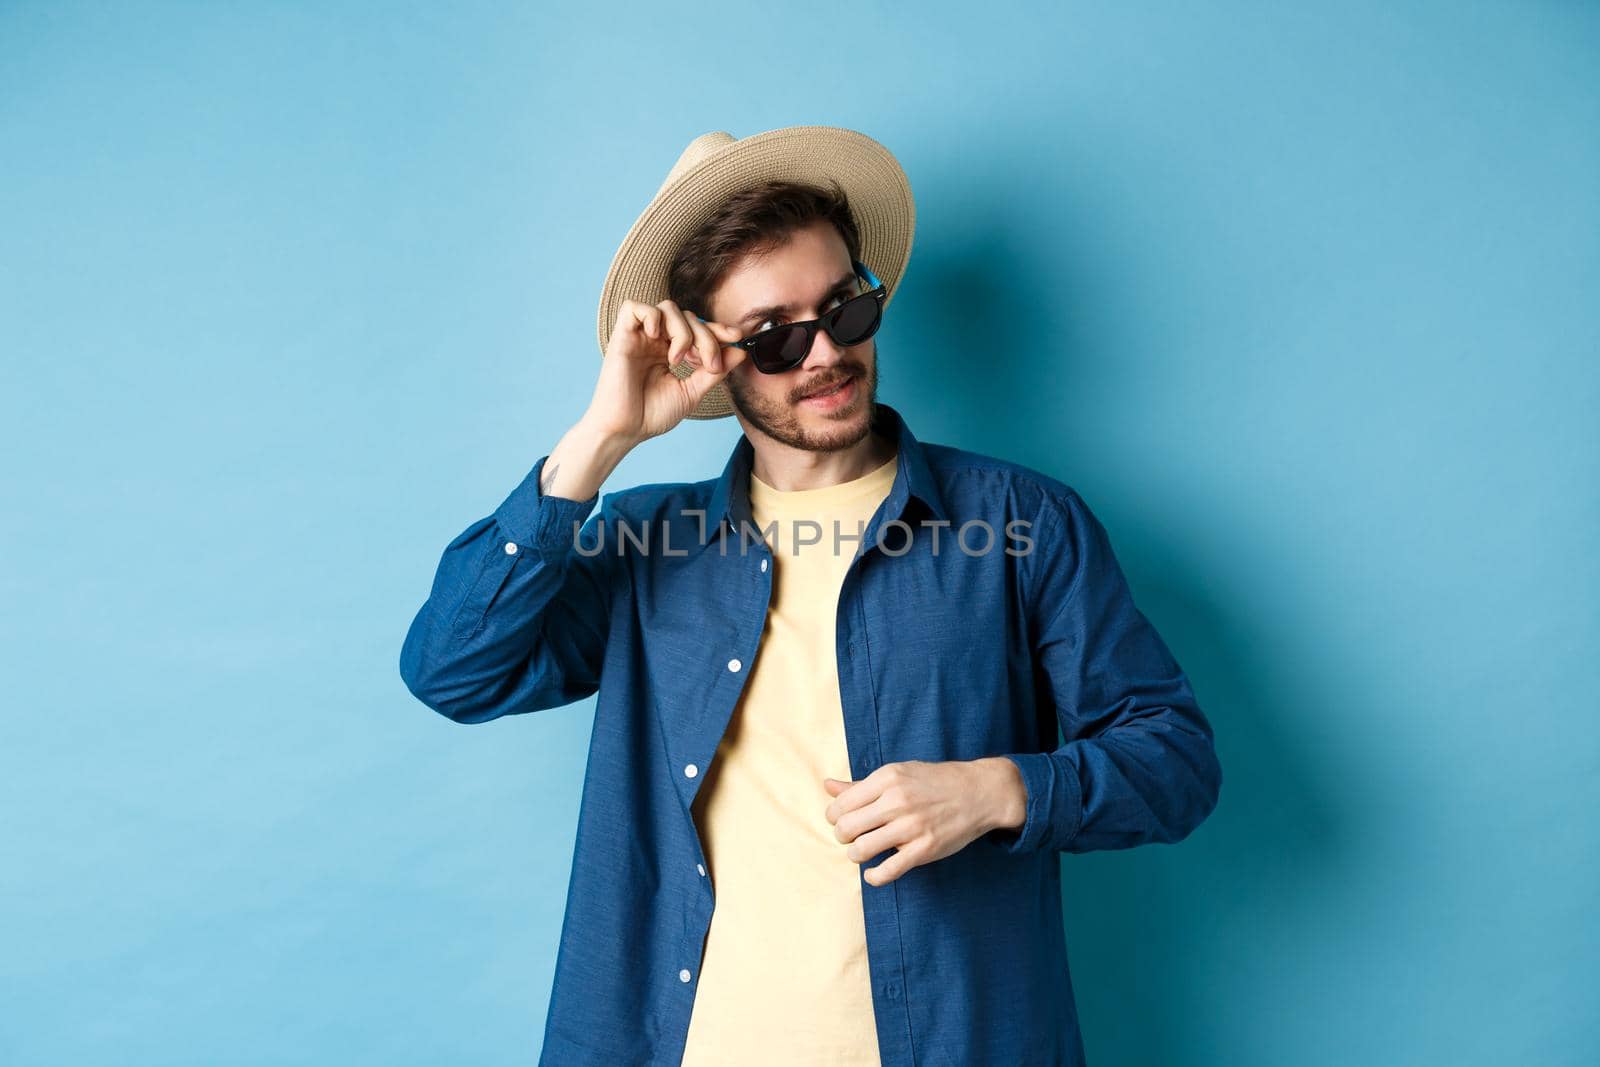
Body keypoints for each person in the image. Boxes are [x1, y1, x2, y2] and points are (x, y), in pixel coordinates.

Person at [399, 126, 1222, 1067]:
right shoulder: (647, 543)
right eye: (778, 335)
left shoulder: (1020, 522)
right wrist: (600, 440)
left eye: (846, 310)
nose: (825, 352)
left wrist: (1000, 788)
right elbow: (453, 669)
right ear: (709, 355)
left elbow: (1176, 761)